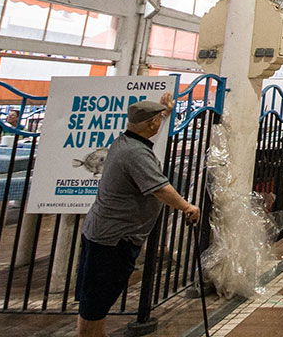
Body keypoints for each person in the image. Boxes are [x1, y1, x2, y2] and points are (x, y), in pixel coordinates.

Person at [76, 95, 200, 337]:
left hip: (103, 233)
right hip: (114, 238)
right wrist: (187, 206)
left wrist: (166, 114)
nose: (159, 124)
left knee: (94, 299)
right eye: (158, 120)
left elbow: (151, 133)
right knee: (95, 301)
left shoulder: (124, 142)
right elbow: (160, 189)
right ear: (152, 123)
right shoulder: (136, 153)